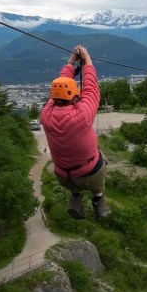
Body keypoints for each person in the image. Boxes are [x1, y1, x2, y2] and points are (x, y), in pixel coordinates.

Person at [40, 44, 110, 219]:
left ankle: (75, 197)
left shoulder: (46, 115)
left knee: (74, 174)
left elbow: (60, 86)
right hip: (90, 175)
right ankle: (99, 201)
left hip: (62, 176)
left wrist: (71, 63)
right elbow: (91, 88)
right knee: (101, 158)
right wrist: (87, 60)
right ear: (75, 96)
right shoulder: (82, 115)